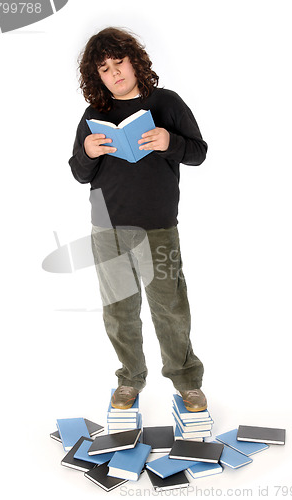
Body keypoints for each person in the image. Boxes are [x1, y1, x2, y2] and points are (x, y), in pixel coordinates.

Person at [68, 27, 208, 412]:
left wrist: (169, 142)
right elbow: (80, 173)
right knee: (119, 310)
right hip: (107, 228)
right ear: (96, 76)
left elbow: (198, 152)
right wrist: (87, 150)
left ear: (134, 60)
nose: (114, 73)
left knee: (170, 307)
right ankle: (129, 378)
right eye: (105, 69)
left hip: (158, 225)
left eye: (119, 62)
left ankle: (186, 381)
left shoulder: (166, 103)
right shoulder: (94, 115)